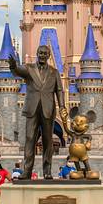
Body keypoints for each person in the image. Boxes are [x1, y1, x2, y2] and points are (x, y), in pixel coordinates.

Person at [8, 46, 68, 179]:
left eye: (45, 54)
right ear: (37, 53)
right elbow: (17, 71)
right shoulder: (29, 68)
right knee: (30, 138)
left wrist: (62, 106)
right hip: (32, 109)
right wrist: (13, 66)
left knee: (48, 140)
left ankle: (47, 171)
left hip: (48, 109)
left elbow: (59, 90)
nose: (42, 55)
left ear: (48, 56)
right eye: (40, 53)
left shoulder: (54, 72)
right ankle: (27, 171)